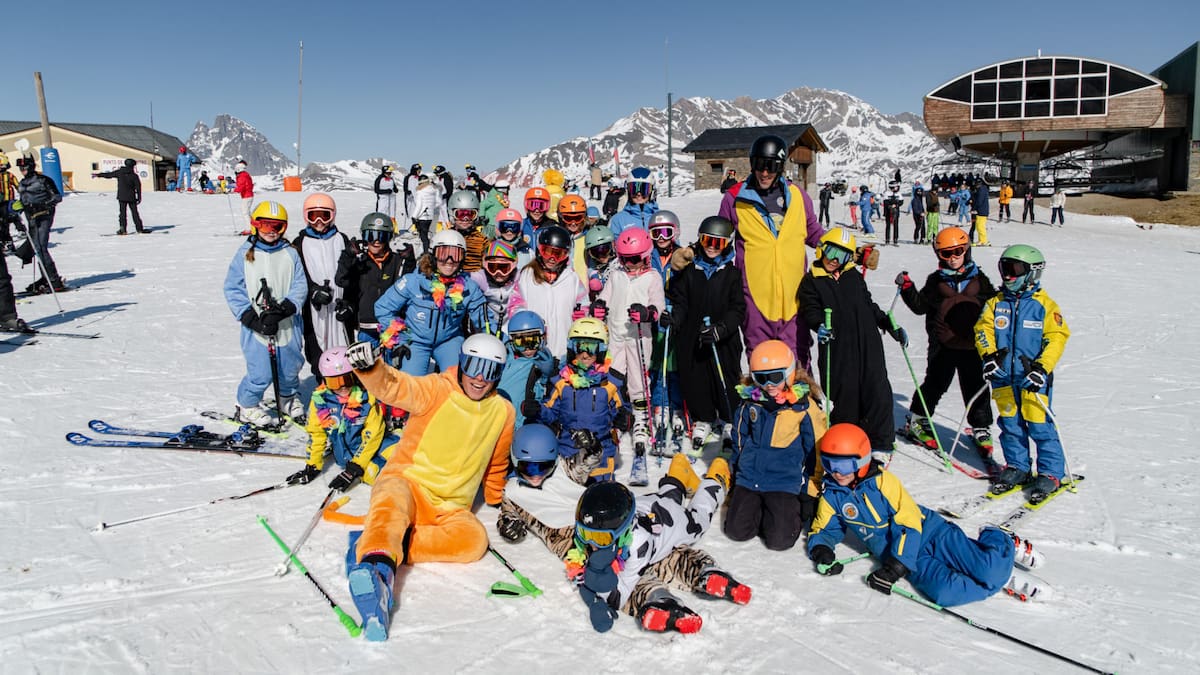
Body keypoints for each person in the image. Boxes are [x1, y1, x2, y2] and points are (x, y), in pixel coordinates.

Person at [342, 333, 515, 641]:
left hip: (449, 506)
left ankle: (381, 539)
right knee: (391, 502)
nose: (479, 377)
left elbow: (497, 461)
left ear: (498, 375)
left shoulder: (503, 411)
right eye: (474, 365)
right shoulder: (437, 389)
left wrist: (496, 498)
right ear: (461, 362)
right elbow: (396, 386)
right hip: (409, 482)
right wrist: (371, 369)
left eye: (489, 370)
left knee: (474, 541)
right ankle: (378, 569)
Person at [808, 423, 1050, 606]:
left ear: (861, 460)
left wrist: (896, 566)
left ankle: (998, 540)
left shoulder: (883, 482)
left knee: (986, 568)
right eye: (829, 464)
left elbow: (908, 521)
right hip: (906, 559)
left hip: (932, 534)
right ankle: (996, 580)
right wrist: (822, 550)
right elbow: (823, 529)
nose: (836, 473)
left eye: (843, 465)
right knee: (945, 594)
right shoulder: (833, 495)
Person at [504, 458, 749, 634]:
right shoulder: (598, 533)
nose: (589, 544)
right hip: (649, 504)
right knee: (668, 497)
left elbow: (621, 593)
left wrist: (598, 582)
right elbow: (581, 569)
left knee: (699, 519)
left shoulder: (637, 544)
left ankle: (715, 478)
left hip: (673, 523)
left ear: (621, 534)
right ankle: (679, 469)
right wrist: (593, 598)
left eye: (599, 539)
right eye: (584, 533)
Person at [717, 134, 826, 368]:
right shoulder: (734, 198)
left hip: (795, 295)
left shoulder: (797, 196)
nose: (764, 173)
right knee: (760, 359)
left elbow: (813, 232)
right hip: (755, 295)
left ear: (781, 167)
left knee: (797, 359)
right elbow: (719, 241)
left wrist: (848, 251)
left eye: (771, 166)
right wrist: (691, 258)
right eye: (759, 165)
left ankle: (803, 404)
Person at [798, 228, 906, 461]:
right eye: (831, 251)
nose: (835, 259)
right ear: (821, 249)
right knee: (846, 392)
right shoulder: (812, 280)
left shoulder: (852, 275)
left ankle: (880, 443)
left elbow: (868, 304)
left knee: (877, 389)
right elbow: (810, 309)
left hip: (868, 342)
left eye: (843, 255)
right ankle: (846, 436)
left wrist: (886, 322)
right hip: (838, 345)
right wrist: (819, 326)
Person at [895, 227, 997, 467]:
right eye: (946, 253)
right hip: (943, 345)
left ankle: (981, 427)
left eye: (958, 251)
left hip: (973, 346)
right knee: (935, 384)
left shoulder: (979, 278)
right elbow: (920, 307)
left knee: (977, 387)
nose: (953, 258)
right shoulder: (935, 280)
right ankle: (918, 420)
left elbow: (994, 305)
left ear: (967, 250)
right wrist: (907, 288)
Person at [976, 244, 1071, 501]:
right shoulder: (996, 303)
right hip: (1002, 376)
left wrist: (1042, 368)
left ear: (1032, 273)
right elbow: (983, 331)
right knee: (1010, 424)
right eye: (1004, 268)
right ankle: (1017, 467)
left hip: (1032, 378)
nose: (1007, 275)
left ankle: (1050, 473)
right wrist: (989, 357)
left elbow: (1057, 338)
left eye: (1014, 269)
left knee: (1039, 425)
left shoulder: (1044, 306)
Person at [725, 340, 825, 550]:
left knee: (780, 542)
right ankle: (759, 509)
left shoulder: (803, 407)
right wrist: (736, 471)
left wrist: (810, 489)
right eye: (761, 378)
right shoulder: (750, 401)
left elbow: (816, 449)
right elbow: (740, 437)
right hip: (751, 477)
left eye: (775, 377)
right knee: (736, 531)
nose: (769, 384)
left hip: (784, 480)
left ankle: (781, 514)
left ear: (789, 373)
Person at [664, 216, 745, 454]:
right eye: (707, 240)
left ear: (727, 244)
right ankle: (704, 417)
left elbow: (737, 309)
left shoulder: (731, 273)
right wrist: (674, 318)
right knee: (695, 378)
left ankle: (729, 418)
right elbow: (680, 301)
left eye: (718, 243)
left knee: (726, 378)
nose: (711, 247)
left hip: (723, 340)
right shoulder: (690, 270)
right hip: (691, 336)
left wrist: (721, 330)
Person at [222, 201, 308, 426]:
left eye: (277, 227)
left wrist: (287, 307)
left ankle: (287, 397)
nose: (271, 231)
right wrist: (250, 318)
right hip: (257, 325)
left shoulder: (290, 252)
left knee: (290, 366)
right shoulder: (245, 253)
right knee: (260, 370)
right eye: (265, 226)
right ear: (255, 225)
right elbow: (233, 287)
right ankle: (247, 404)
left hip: (287, 323)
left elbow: (300, 283)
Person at [523, 317, 630, 484]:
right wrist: (536, 409)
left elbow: (624, 411)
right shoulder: (561, 381)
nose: (585, 354)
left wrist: (624, 418)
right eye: (580, 347)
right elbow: (550, 412)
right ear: (572, 348)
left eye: (591, 347)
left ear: (601, 350)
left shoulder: (612, 383)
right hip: (567, 458)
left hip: (600, 460)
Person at [374, 229, 487, 376]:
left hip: (449, 340)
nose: (449, 261)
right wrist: (398, 338)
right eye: (443, 254)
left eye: (456, 255)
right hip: (415, 340)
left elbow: (485, 320)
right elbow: (383, 307)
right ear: (433, 256)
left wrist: (497, 344)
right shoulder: (413, 281)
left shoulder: (468, 287)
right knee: (412, 385)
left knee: (457, 381)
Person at [284, 346, 396, 491]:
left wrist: (356, 467)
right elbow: (316, 434)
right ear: (325, 381)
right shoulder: (320, 402)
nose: (343, 387)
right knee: (387, 479)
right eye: (335, 383)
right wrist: (313, 465)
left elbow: (374, 433)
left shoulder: (367, 398)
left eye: (347, 379)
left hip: (377, 444)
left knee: (407, 456)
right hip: (351, 457)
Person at [598, 226, 665, 466]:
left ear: (646, 256)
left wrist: (648, 313)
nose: (629, 264)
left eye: (634, 259)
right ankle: (610, 416)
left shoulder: (652, 277)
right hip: (615, 335)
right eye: (624, 259)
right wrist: (598, 308)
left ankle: (641, 420)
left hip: (639, 335)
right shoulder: (615, 276)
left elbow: (659, 305)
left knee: (638, 379)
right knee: (611, 377)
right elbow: (604, 298)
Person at [292, 193, 352, 377]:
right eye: (313, 215)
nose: (319, 221)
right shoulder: (300, 243)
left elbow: (352, 275)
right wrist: (312, 291)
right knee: (317, 351)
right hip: (314, 310)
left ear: (333, 215)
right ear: (306, 217)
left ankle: (347, 389)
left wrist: (349, 302)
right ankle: (323, 386)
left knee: (345, 351)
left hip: (338, 307)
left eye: (325, 215)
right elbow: (296, 276)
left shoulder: (342, 239)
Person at [507, 225, 586, 361]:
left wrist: (581, 315)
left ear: (566, 255)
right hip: (534, 348)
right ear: (539, 250)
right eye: (547, 252)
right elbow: (514, 306)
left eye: (558, 254)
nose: (552, 259)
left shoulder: (571, 277)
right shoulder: (527, 275)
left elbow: (583, 303)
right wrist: (527, 324)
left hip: (563, 348)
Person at [336, 212, 414, 347]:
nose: (376, 241)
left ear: (389, 238)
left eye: (382, 237)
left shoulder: (396, 262)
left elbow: (409, 287)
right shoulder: (360, 262)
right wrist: (347, 257)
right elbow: (341, 280)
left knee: (393, 366)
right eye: (370, 236)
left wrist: (409, 264)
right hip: (367, 325)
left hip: (392, 325)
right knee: (368, 365)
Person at [15, 154, 66, 295]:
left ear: (31, 167)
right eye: (20, 168)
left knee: (41, 247)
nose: (22, 170)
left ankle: (54, 280)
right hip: (31, 217)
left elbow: (57, 197)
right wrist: (17, 207)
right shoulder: (22, 182)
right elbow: (23, 199)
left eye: (24, 168)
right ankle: (45, 277)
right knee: (36, 247)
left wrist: (42, 205)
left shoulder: (43, 180)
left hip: (44, 216)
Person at [497, 310, 556, 430]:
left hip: (525, 426)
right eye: (520, 342)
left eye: (532, 341)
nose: (527, 348)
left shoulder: (545, 362)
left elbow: (550, 399)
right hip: (500, 422)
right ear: (512, 340)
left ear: (542, 337)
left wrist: (548, 376)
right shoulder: (503, 358)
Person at [469, 238, 519, 335]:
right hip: (487, 329)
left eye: (504, 268)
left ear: (513, 266)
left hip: (511, 329)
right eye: (493, 267)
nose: (498, 273)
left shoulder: (519, 277)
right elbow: (463, 278)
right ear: (485, 265)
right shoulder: (481, 278)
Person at [94, 158, 144, 235]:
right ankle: (139, 229)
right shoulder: (134, 175)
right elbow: (138, 187)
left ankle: (123, 229)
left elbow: (109, 175)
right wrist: (139, 197)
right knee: (135, 213)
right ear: (133, 166)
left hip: (122, 196)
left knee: (122, 213)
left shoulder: (120, 172)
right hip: (131, 197)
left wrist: (99, 175)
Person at [607, 167, 658, 236]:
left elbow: (673, 245)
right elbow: (611, 244)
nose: (638, 194)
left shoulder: (660, 218)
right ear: (628, 191)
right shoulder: (618, 220)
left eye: (644, 189)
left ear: (651, 192)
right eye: (634, 189)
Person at [447, 190, 487, 273]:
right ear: (452, 215)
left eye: (470, 214)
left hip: (474, 280)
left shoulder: (482, 240)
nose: (466, 218)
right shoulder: (446, 237)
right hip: (451, 282)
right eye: (460, 214)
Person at [409, 175, 444, 253]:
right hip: (430, 217)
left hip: (422, 217)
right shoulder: (434, 191)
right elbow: (439, 202)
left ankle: (425, 253)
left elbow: (419, 206)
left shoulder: (420, 192)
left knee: (423, 237)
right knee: (428, 235)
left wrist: (414, 216)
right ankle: (428, 251)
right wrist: (431, 207)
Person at [232, 161, 254, 234]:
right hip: (248, 195)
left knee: (245, 212)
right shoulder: (245, 175)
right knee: (247, 212)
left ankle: (249, 229)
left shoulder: (242, 176)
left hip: (246, 196)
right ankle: (253, 226)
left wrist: (233, 190)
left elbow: (241, 187)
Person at [970, 179, 990, 246]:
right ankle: (981, 240)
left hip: (982, 211)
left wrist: (974, 208)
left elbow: (979, 201)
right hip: (981, 211)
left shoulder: (981, 191)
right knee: (979, 226)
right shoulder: (982, 189)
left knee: (980, 226)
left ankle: (983, 241)